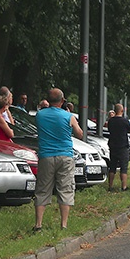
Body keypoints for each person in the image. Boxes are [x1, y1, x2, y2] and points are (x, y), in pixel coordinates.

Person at [34, 88, 84, 231]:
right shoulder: (69, 116)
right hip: (65, 156)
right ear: (63, 101)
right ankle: (63, 224)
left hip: (46, 156)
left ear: (48, 100)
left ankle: (38, 224)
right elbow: (80, 134)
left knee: (43, 189)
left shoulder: (40, 115)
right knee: (65, 188)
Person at [107, 103, 130, 191]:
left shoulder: (111, 121)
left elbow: (109, 130)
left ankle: (110, 186)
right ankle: (124, 187)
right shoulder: (124, 121)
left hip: (113, 146)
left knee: (112, 167)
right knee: (123, 167)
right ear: (122, 110)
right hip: (122, 146)